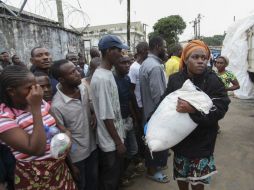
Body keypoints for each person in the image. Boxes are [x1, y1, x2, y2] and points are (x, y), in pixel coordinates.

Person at [161, 40, 230, 190]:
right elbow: (164, 103)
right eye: (195, 57)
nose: (200, 61)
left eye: (203, 58)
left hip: (203, 143)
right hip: (181, 142)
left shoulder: (213, 81)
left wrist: (193, 109)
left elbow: (220, 108)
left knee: (198, 182)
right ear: (185, 59)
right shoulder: (175, 80)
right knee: (182, 178)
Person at [0, 65, 76, 189]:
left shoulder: (41, 102)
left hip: (59, 169)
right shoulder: (4, 118)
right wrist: (35, 109)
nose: (37, 91)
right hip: (35, 176)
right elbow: (36, 149)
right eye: (30, 88)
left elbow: (60, 127)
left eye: (36, 86)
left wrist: (66, 136)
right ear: (11, 91)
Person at [51, 59, 97, 190]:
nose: (78, 73)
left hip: (92, 147)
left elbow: (89, 104)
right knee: (81, 185)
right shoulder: (57, 106)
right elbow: (61, 139)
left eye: (76, 69)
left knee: (93, 182)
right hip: (77, 157)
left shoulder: (82, 88)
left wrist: (92, 113)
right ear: (62, 79)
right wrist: (71, 165)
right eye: (72, 72)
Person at [90, 35, 128, 190]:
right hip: (110, 141)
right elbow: (106, 116)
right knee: (110, 180)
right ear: (108, 51)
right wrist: (118, 142)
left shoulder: (108, 73)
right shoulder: (101, 79)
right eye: (118, 50)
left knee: (116, 176)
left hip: (115, 136)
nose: (121, 53)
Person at [139, 36, 170, 183]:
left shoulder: (147, 63)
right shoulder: (155, 67)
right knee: (155, 142)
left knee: (152, 141)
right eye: (164, 46)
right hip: (156, 113)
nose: (166, 49)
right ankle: (152, 171)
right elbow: (159, 96)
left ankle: (154, 167)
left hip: (149, 111)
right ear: (157, 46)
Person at [114, 55, 140, 186]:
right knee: (121, 152)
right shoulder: (111, 80)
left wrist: (134, 117)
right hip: (117, 122)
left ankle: (125, 172)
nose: (127, 65)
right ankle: (121, 177)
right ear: (115, 65)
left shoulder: (127, 78)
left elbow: (130, 99)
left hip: (128, 118)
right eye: (123, 63)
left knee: (133, 149)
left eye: (128, 62)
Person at [128, 41, 149, 160]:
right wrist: (136, 111)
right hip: (139, 106)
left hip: (144, 104)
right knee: (141, 132)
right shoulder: (134, 68)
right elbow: (131, 91)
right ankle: (142, 156)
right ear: (143, 51)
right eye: (147, 51)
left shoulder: (144, 66)